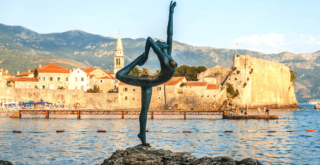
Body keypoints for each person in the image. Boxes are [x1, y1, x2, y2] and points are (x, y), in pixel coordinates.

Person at [116, 1, 177, 146]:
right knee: (119, 75)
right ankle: (138, 60)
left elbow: (170, 33)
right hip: (149, 81)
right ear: (159, 47)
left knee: (144, 110)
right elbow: (149, 40)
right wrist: (145, 56)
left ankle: (142, 134)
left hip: (151, 81)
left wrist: (171, 13)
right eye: (161, 43)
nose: (165, 42)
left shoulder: (167, 53)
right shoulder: (162, 55)